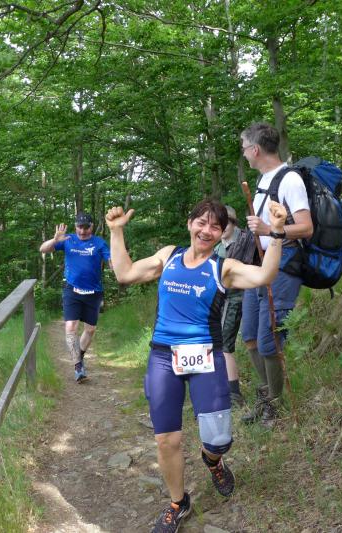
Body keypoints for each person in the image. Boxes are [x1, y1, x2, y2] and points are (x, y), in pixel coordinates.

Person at [106, 199, 286, 533]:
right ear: (190, 224)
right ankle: (179, 502)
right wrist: (116, 232)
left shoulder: (224, 268)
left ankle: (213, 460)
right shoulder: (169, 257)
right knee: (166, 439)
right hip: (163, 356)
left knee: (218, 439)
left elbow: (265, 275)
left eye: (215, 226)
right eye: (201, 222)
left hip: (205, 356)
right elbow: (125, 273)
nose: (207, 230)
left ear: (221, 233)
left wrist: (275, 233)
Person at [239, 122, 313, 428]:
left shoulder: (289, 179)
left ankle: (275, 405)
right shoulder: (261, 181)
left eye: (245, 148)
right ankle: (266, 394)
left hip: (283, 267)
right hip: (258, 266)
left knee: (269, 340)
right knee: (249, 336)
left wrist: (270, 229)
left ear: (256, 149)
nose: (244, 154)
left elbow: (306, 228)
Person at [39, 212, 111, 383]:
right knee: (71, 326)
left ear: (92, 226)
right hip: (72, 290)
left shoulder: (99, 243)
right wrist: (55, 240)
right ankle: (78, 366)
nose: (82, 231)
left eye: (86, 227)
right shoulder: (67, 239)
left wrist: (116, 263)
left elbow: (111, 261)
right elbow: (43, 249)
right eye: (80, 227)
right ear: (75, 226)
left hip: (93, 292)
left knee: (90, 330)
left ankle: (79, 357)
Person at [213, 205, 245, 407]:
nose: (223, 227)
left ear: (233, 223)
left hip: (243, 298)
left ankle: (234, 394)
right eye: (219, 224)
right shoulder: (217, 248)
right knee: (221, 344)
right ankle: (225, 388)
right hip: (224, 300)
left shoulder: (246, 241)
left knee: (226, 345)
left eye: (227, 222)